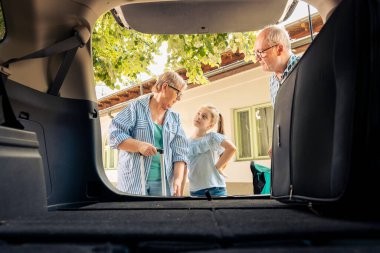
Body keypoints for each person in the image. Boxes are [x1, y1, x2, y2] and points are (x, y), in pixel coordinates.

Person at [109, 71, 189, 197]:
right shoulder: (135, 108)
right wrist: (139, 146)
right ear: (165, 87)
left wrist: (178, 179)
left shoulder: (175, 118)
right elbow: (115, 135)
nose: (178, 99)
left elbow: (181, 151)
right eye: (178, 93)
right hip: (133, 182)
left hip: (163, 183)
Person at [254, 25, 300, 157]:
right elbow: (281, 117)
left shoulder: (305, 67)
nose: (257, 58)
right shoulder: (272, 80)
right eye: (255, 53)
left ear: (279, 49)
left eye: (260, 52)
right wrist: (276, 141)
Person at [187, 105, 236, 197]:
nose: (199, 117)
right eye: (198, 113)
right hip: (195, 191)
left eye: (204, 116)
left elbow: (231, 148)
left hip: (215, 189)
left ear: (210, 125)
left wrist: (218, 167)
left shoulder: (212, 137)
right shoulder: (186, 142)